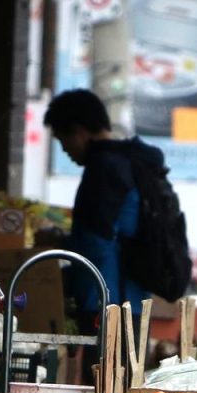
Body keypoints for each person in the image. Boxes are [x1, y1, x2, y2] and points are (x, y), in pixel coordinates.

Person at [43, 89, 160, 325]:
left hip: (106, 303)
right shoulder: (127, 161)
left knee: (103, 363)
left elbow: (96, 241)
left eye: (62, 140)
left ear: (78, 132)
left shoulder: (104, 168)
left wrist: (58, 243)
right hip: (132, 301)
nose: (65, 150)